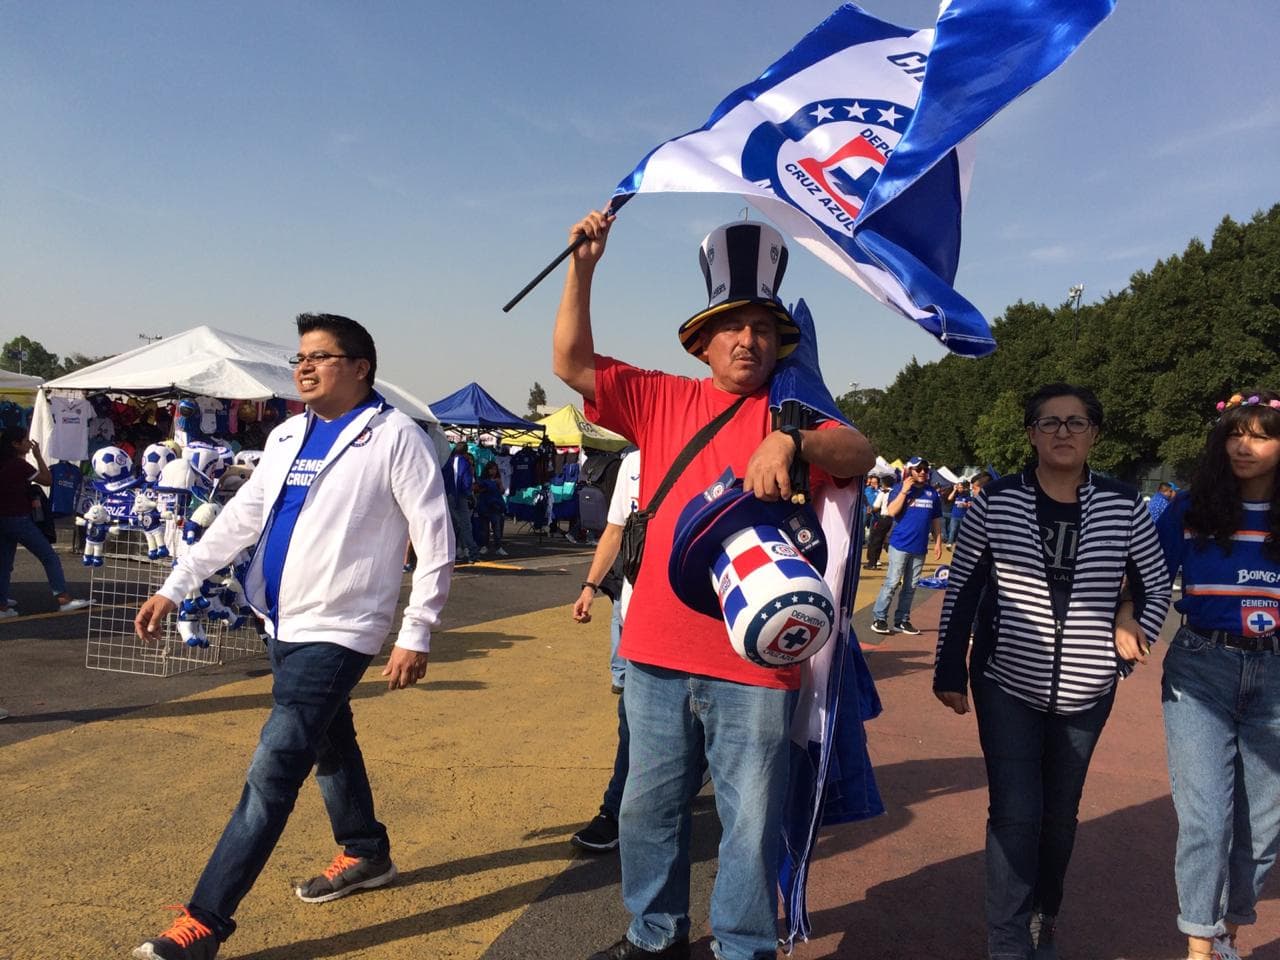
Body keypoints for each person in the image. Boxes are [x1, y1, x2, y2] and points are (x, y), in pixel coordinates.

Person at [554, 209, 874, 960]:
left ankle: (741, 945)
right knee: (646, 812)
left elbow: (861, 452)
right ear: (702, 342)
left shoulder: (797, 414)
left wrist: (794, 439)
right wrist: (582, 267)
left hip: (757, 663)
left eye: (762, 327)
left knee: (750, 823)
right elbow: (570, 362)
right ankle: (655, 936)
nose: (747, 340)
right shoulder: (661, 397)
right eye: (731, 327)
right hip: (655, 653)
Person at [129, 313, 454, 960]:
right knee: (331, 739)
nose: (303, 368)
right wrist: (177, 583)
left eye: (320, 357)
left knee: (274, 767)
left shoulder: (395, 438)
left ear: (360, 367)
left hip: (340, 629)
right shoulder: (286, 435)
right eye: (299, 358)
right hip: (279, 620)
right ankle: (365, 851)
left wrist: (417, 628)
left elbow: (435, 536)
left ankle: (204, 922)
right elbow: (240, 519)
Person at [932, 383, 1171, 960]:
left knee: (1060, 816)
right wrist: (948, 669)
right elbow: (963, 587)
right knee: (1015, 813)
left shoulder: (1123, 504)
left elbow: (1155, 584)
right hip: (1006, 678)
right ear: (1031, 434)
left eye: (1076, 422)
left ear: (1095, 434)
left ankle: (1044, 913)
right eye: (1050, 422)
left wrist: (1124, 639)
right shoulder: (996, 501)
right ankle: (1008, 939)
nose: (1063, 432)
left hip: (1089, 685)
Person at [1149, 390, 1280, 960]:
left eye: (1261, 435)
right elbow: (1146, 577)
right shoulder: (1191, 508)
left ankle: (1227, 927)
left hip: (1276, 674)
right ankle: (1200, 946)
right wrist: (1128, 619)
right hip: (1201, 667)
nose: (1243, 446)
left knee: (1264, 825)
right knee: (1206, 817)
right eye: (1234, 434)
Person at [570, 448, 640, 852]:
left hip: (697, 624)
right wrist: (590, 587)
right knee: (631, 722)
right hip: (636, 618)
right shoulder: (632, 464)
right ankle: (614, 813)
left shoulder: (712, 453)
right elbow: (614, 531)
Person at [0, 426, 90, 618]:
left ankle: (2, 605)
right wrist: (38, 456)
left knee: (5, 562)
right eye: (25, 440)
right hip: (19, 519)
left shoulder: (5, 463)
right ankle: (63, 599)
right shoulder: (19, 465)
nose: (29, 443)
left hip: (3, 519)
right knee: (49, 556)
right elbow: (47, 480)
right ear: (15, 444)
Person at [870, 456, 943, 635]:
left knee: (911, 586)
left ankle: (902, 620)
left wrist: (938, 542)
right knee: (892, 582)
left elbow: (935, 519)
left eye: (925, 469)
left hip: (920, 547)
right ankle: (879, 618)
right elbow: (891, 511)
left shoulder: (932, 493)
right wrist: (904, 491)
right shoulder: (898, 489)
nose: (923, 472)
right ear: (910, 471)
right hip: (900, 544)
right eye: (919, 469)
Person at [443, 441, 479, 563]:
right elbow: (467, 482)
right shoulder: (465, 463)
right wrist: (470, 495)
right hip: (461, 496)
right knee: (465, 526)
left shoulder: (449, 461)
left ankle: (451, 553)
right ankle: (472, 553)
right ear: (466, 451)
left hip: (449, 496)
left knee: (451, 525)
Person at [474, 459, 508, 556]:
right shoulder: (482, 480)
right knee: (484, 529)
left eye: (495, 469)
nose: (493, 471)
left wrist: (499, 484)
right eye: (491, 469)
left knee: (497, 528)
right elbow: (477, 490)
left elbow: (502, 491)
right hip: (484, 506)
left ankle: (498, 547)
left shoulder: (498, 480)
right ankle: (484, 546)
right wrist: (488, 485)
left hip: (495, 507)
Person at [863, 477, 893, 569]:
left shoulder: (883, 493)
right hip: (894, 519)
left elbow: (876, 506)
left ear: (883, 484)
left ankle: (872, 563)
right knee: (887, 540)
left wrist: (871, 510)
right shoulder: (895, 492)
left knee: (875, 541)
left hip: (883, 518)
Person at [945, 479, 973, 546]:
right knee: (952, 530)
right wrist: (954, 490)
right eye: (958, 487)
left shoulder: (967, 495)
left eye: (961, 487)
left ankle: (960, 544)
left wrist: (966, 505)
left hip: (963, 516)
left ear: (963, 488)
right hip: (954, 516)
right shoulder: (956, 495)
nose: (960, 489)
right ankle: (949, 543)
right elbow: (949, 498)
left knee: (962, 531)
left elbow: (970, 505)